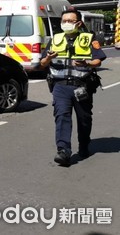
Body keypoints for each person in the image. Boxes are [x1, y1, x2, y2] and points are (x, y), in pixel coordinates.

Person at [39, 9, 106, 166]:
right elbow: (42, 64)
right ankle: (63, 151)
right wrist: (48, 58)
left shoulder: (88, 39)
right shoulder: (55, 39)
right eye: (64, 21)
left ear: (78, 23)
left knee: (84, 119)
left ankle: (84, 144)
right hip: (60, 86)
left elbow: (98, 61)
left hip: (81, 86)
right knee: (61, 116)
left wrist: (86, 63)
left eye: (70, 21)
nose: (66, 24)